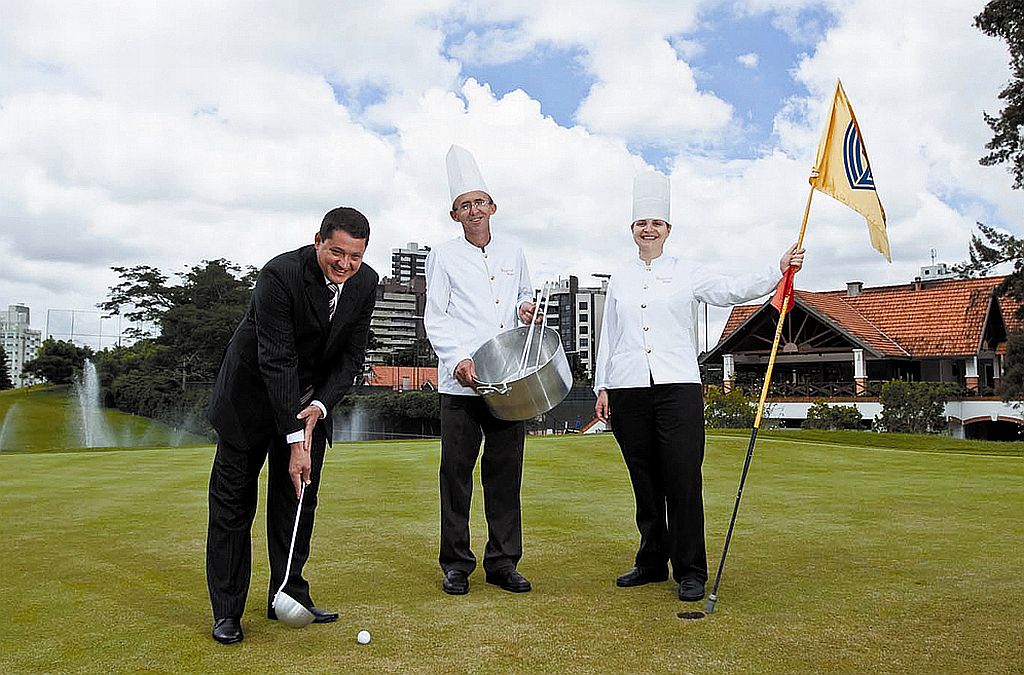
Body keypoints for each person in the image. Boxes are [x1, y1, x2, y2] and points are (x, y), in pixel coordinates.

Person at [593, 171, 804, 603]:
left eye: (656, 223)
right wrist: (603, 387)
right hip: (628, 389)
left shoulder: (688, 272)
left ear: (668, 229)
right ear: (631, 230)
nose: (648, 229)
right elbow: (608, 336)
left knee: (683, 480)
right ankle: (651, 562)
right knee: (644, 481)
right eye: (641, 223)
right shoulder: (619, 278)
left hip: (678, 389)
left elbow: (730, 290)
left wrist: (776, 269)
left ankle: (690, 570)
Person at [205, 207, 377, 644]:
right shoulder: (279, 275)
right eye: (336, 252)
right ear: (318, 240)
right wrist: (295, 438)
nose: (345, 265)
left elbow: (351, 357)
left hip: (306, 404)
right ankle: (227, 611)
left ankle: (287, 594)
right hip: (248, 401)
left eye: (354, 257)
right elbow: (276, 360)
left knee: (297, 503)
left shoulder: (366, 283)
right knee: (233, 508)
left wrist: (318, 408)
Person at [423, 144, 540, 596]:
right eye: (463, 205)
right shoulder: (444, 256)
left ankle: (503, 562)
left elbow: (522, 298)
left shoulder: (514, 250)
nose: (473, 210)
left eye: (479, 202)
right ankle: (456, 564)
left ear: (492, 207)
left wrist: (526, 308)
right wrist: (459, 361)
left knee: (505, 474)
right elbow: (437, 316)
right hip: (461, 386)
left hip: (508, 381)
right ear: (455, 215)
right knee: (456, 475)